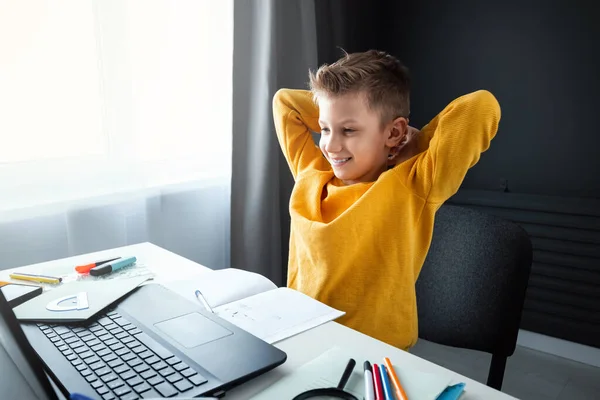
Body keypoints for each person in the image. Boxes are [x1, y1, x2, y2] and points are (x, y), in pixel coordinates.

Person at [272, 49, 500, 351]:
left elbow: (481, 107)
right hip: (304, 336)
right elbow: (284, 102)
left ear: (394, 131)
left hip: (374, 351)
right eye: (325, 129)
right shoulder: (311, 173)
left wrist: (413, 141)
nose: (330, 144)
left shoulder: (412, 186)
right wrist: (337, 111)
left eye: (349, 130)